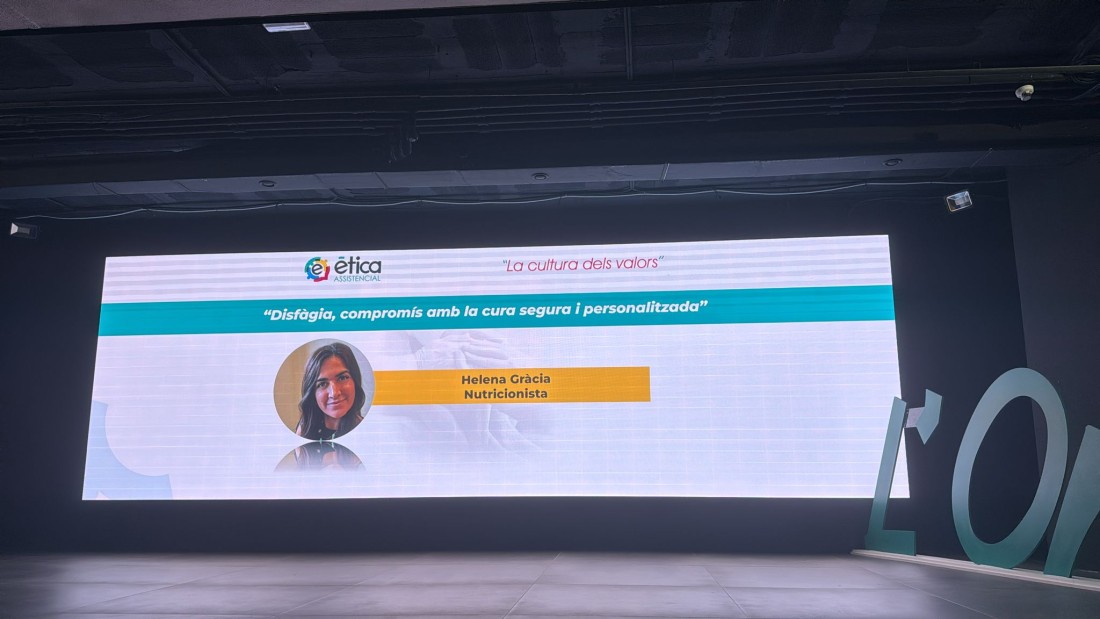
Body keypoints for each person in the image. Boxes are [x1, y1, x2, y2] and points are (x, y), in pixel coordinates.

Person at [296, 342, 367, 441]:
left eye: (342, 378)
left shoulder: (367, 433)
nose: (334, 393)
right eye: (322, 384)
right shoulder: (305, 429)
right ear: (312, 393)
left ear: (355, 381)